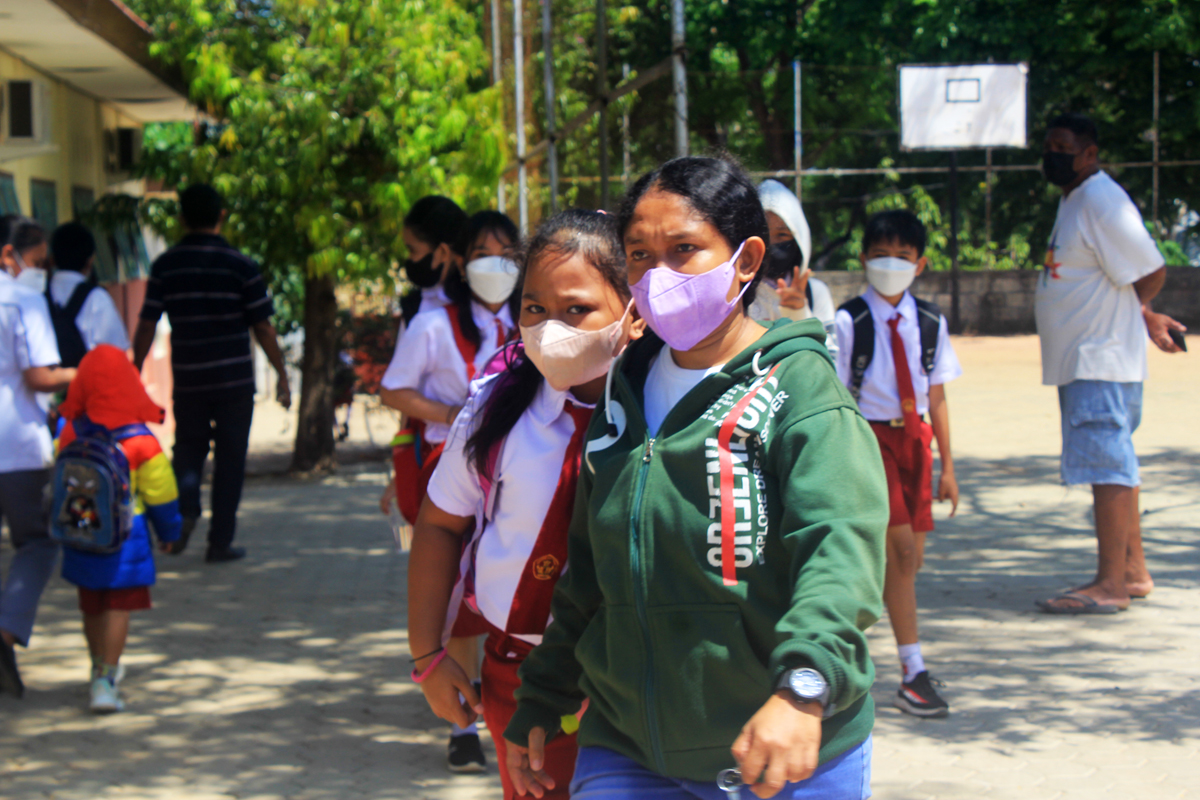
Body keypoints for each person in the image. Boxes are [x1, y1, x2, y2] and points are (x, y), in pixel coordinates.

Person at [504, 157, 888, 800]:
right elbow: (590, 576)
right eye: (639, 255)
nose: (658, 275)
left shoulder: (799, 390)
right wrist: (542, 696)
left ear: (745, 259)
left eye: (683, 250)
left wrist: (805, 686)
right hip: (627, 747)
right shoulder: (621, 393)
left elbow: (840, 547)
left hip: (782, 754)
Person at [409, 209, 640, 799]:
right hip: (519, 673)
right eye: (535, 307)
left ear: (632, 313)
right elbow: (439, 524)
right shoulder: (498, 407)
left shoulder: (663, 414)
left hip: (634, 678)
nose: (550, 328)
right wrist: (427, 656)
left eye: (576, 309)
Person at [380, 205, 520, 773]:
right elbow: (393, 389)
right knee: (458, 594)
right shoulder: (432, 323)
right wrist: (456, 414)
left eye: (506, 254)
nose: (495, 264)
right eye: (482, 253)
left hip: (518, 473)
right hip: (453, 469)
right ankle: (462, 726)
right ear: (460, 261)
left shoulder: (533, 316)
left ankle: (513, 703)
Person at [1033, 113, 1185, 615]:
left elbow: (1150, 269)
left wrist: (1137, 310)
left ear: (1090, 154)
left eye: (1063, 147)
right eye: (1049, 145)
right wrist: (1144, 315)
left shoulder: (1100, 198)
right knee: (1113, 463)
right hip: (1089, 358)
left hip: (1098, 359)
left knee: (1109, 467)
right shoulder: (1075, 199)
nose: (1053, 155)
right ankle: (1132, 571)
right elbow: (1109, 279)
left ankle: (1110, 584)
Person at [833, 210, 961, 718]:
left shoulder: (929, 321)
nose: (891, 264)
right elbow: (838, 391)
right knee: (900, 552)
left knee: (908, 561)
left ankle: (863, 655)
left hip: (915, 442)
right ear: (864, 258)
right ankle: (913, 671)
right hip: (870, 440)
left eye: (902, 256)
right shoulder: (849, 321)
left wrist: (948, 467)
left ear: (920, 264)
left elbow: (938, 396)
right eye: (881, 254)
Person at [132, 184, 292, 564]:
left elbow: (147, 323)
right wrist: (281, 374)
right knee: (231, 460)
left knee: (188, 449)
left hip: (189, 379)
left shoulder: (166, 265)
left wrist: (134, 371)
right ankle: (220, 543)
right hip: (235, 382)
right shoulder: (241, 265)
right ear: (222, 216)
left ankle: (186, 509)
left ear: (182, 219)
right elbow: (263, 327)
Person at [54, 345, 183, 713]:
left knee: (91, 604)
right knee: (117, 607)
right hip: (127, 537)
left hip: (81, 530)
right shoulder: (140, 439)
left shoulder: (70, 431)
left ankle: (96, 666)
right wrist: (170, 532)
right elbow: (161, 493)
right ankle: (106, 680)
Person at [0, 214, 76, 698]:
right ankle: (6, 627)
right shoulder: (22, 300)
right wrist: (83, 372)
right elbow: (39, 377)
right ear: (8, 255)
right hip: (17, 448)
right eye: (38, 260)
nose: (42, 270)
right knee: (38, 542)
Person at [751, 180, 838, 355]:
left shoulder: (815, 293)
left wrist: (799, 313)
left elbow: (830, 360)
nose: (771, 244)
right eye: (764, 234)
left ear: (799, 237)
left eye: (782, 234)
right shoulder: (738, 295)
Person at [46, 221, 130, 366]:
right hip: (87, 377)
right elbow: (116, 353)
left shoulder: (38, 296)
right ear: (90, 260)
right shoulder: (96, 298)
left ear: (52, 260)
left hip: (46, 378)